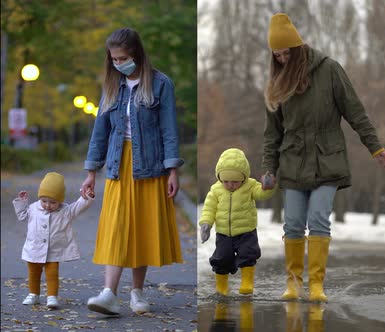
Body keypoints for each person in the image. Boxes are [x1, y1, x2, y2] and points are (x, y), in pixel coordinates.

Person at [261, 13, 385, 302]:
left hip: (328, 160)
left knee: (319, 219)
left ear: (297, 48)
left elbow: (355, 112)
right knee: (293, 223)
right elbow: (273, 134)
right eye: (277, 55)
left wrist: (375, 147)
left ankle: (317, 284)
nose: (282, 59)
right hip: (293, 162)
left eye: (286, 53)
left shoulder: (330, 70)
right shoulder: (277, 83)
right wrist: (268, 169)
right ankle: (294, 283)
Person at [80, 27, 184, 315]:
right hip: (117, 165)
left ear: (136, 54)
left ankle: (137, 293)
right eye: (113, 59)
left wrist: (173, 170)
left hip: (150, 167)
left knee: (142, 229)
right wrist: (91, 172)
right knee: (116, 228)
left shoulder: (161, 84)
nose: (117, 63)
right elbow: (100, 131)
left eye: (122, 58)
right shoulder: (112, 86)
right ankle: (108, 293)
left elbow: (169, 130)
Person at [199, 148, 276, 296]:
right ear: (220, 178)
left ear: (244, 177)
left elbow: (261, 194)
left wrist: (268, 187)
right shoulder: (215, 190)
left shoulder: (251, 186)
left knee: (248, 255)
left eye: (235, 181)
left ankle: (247, 283)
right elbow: (209, 208)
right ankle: (222, 287)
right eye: (226, 181)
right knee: (221, 259)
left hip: (246, 231)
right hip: (223, 234)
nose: (230, 184)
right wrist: (206, 224)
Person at [13, 172, 95, 309]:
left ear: (60, 201)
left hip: (54, 250)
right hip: (34, 248)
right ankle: (33, 294)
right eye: (44, 201)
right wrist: (22, 202)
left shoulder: (66, 211)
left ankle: (52, 296)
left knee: (52, 274)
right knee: (33, 272)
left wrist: (88, 197)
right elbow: (22, 216)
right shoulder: (33, 208)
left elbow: (79, 206)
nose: (47, 205)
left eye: (53, 202)